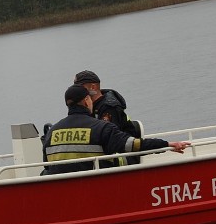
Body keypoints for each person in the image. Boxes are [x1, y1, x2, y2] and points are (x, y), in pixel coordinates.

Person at [42, 84, 189, 175]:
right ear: (87, 101)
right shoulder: (100, 128)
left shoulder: (51, 133)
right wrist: (167, 144)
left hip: (64, 196)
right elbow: (134, 145)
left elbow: (46, 166)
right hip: (96, 190)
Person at [73, 70, 139, 137]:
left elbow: (109, 136)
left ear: (93, 87)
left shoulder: (109, 108)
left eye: (80, 87)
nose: (77, 91)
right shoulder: (88, 105)